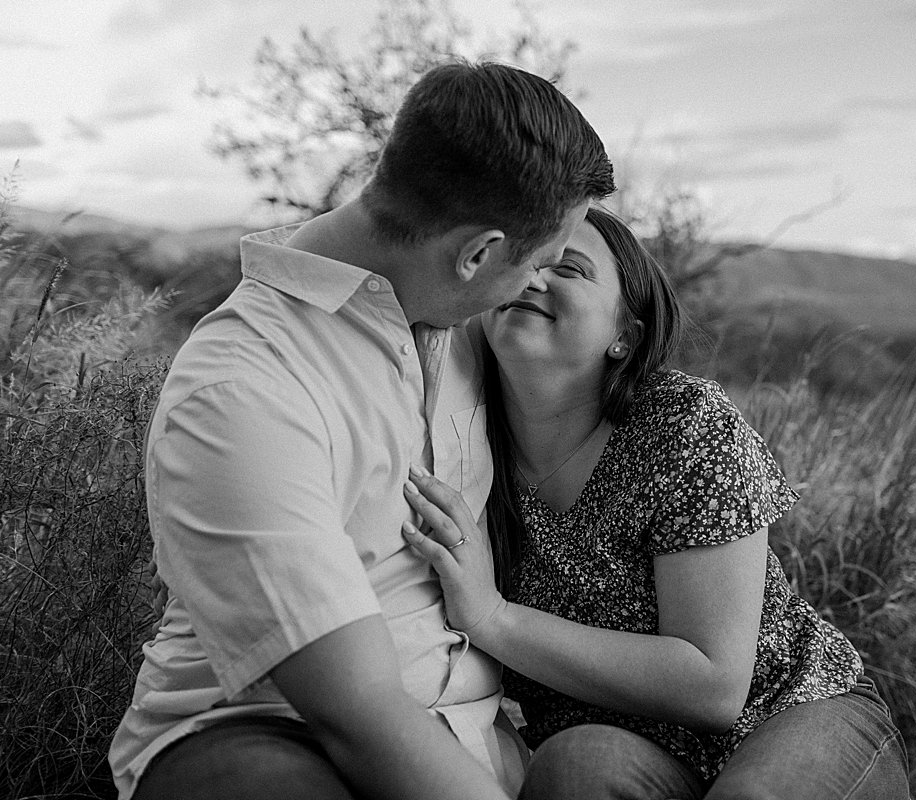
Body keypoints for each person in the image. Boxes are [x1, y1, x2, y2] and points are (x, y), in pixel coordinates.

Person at [109, 60, 614, 800]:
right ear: (476, 253)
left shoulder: (465, 320)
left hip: (477, 733)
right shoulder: (246, 386)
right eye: (537, 264)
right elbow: (356, 710)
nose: (535, 286)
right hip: (272, 734)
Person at [401, 204, 911, 799]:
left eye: (570, 268)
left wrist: (494, 618)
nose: (534, 276)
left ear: (625, 335)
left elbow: (715, 686)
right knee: (573, 767)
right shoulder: (458, 446)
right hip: (620, 752)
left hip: (788, 714)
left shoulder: (683, 425)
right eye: (524, 260)